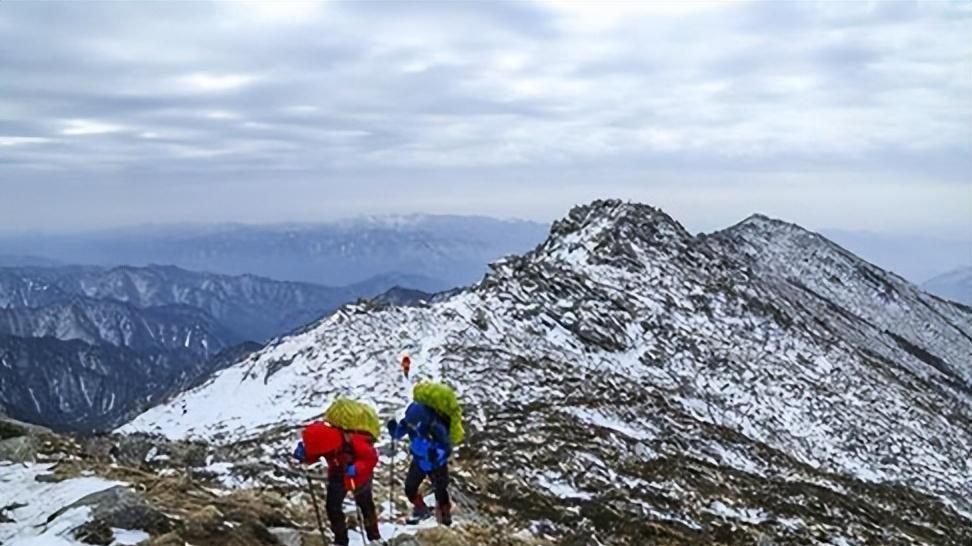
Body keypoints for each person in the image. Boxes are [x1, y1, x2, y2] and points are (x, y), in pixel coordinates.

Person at [292, 421, 381, 545]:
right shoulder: (325, 440)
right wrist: (305, 455)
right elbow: (316, 453)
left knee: (365, 504)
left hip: (359, 476)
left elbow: (371, 458)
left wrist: (357, 468)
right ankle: (341, 540)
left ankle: (374, 537)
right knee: (333, 507)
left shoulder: (353, 439)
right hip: (338, 475)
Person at [386, 401, 453, 526]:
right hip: (420, 462)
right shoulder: (410, 421)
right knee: (410, 488)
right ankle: (422, 511)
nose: (410, 426)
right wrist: (393, 429)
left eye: (413, 425)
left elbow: (447, 448)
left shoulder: (435, 426)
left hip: (435, 465)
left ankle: (445, 516)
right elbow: (398, 433)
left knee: (440, 490)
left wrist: (436, 454)